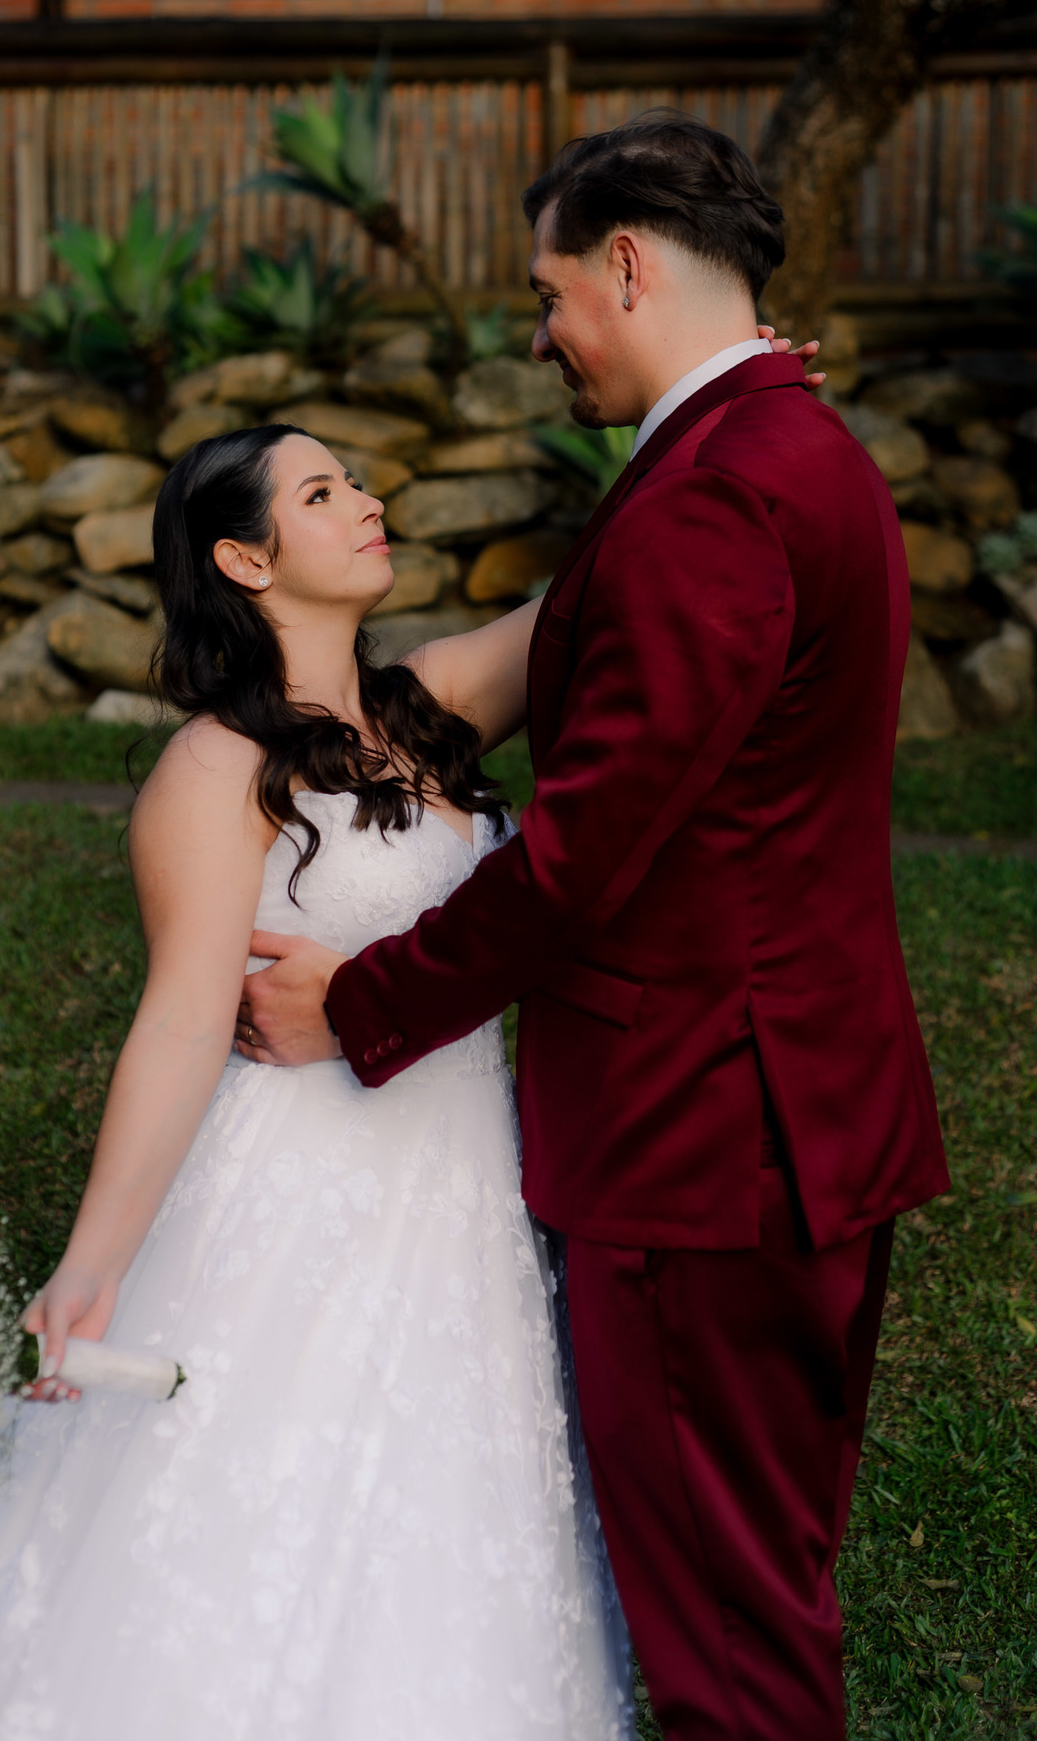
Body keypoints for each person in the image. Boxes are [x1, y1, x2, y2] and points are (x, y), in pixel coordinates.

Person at [237, 110, 951, 1741]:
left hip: (700, 1138)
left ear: (626, 266)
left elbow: (585, 857)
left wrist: (365, 1004)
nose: (541, 334)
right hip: (805, 1110)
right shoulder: (799, 454)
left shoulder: (717, 494)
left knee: (727, 1651)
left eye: (548, 294)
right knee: (759, 1590)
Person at [0, 426, 633, 1739]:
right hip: (299, 1197)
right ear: (246, 560)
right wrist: (92, 1265)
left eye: (356, 480)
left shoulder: (435, 702)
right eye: (322, 493)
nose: (368, 501)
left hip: (464, 1203)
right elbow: (179, 1022)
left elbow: (605, 589)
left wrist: (712, 410)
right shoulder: (213, 768)